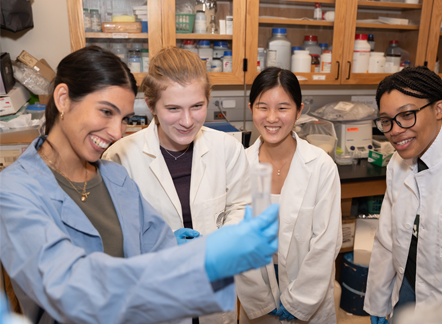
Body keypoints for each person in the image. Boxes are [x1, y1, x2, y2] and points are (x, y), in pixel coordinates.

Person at [0, 46, 280, 324]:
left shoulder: (114, 178)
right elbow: (69, 287)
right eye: (106, 112)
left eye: (123, 118)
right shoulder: (13, 192)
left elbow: (160, 252)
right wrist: (209, 257)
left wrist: (191, 250)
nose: (116, 132)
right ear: (63, 98)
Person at [102, 46, 250, 324]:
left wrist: (216, 244)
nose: (186, 121)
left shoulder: (227, 149)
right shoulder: (120, 157)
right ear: (150, 104)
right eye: (173, 108)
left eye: (197, 106)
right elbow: (113, 238)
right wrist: (159, 248)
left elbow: (241, 205)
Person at [364, 66, 442, 324]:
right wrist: (378, 301)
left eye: (407, 115)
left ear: (438, 109)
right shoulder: (397, 165)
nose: (395, 130)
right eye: (386, 120)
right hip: (409, 289)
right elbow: (387, 239)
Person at [235, 67, 343, 323]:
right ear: (251, 109)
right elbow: (238, 239)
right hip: (257, 286)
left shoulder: (320, 166)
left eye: (283, 107)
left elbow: (326, 243)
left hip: (308, 287)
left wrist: (300, 302)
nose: (272, 118)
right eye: (263, 107)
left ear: (299, 111)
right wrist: (259, 298)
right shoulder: (240, 165)